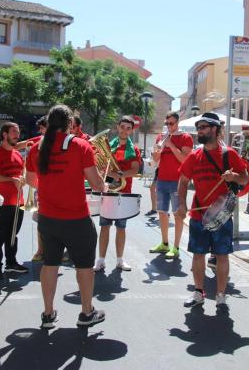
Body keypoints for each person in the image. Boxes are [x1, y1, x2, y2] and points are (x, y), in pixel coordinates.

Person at [30, 104, 107, 329]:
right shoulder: (80, 145)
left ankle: (47, 313)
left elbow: (31, 180)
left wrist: (51, 187)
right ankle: (86, 313)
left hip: (47, 217)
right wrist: (102, 178)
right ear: (70, 124)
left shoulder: (37, 147)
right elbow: (97, 184)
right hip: (76, 219)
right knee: (84, 266)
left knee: (50, 264)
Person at [176, 113, 248, 309]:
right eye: (199, 128)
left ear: (215, 129)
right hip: (199, 214)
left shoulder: (229, 154)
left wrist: (233, 176)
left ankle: (221, 294)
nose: (200, 131)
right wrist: (181, 204)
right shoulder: (194, 156)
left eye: (204, 127)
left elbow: (245, 178)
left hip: (222, 215)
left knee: (222, 255)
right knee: (198, 255)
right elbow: (182, 181)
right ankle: (199, 292)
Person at [93, 116, 142, 272]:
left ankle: (120, 260)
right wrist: (106, 173)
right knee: (105, 226)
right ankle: (100, 260)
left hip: (124, 192)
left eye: (128, 128)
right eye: (122, 127)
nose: (124, 130)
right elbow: (99, 165)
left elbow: (135, 170)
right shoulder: (108, 145)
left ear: (131, 130)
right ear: (117, 127)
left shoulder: (133, 149)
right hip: (107, 190)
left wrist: (119, 175)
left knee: (121, 228)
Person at [149, 112, 193, 259]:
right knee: (161, 212)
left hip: (177, 181)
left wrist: (171, 145)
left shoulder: (186, 137)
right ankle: (164, 243)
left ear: (178, 123)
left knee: (177, 214)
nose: (169, 126)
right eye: (167, 124)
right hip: (162, 179)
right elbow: (156, 160)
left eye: (172, 124)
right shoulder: (161, 137)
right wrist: (156, 152)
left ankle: (176, 247)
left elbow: (185, 160)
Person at [0, 122, 28, 279]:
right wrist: (11, 179)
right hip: (3, 202)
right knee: (0, 235)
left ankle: (11, 263)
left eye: (18, 131)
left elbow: (20, 173)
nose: (17, 135)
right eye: (13, 132)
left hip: (19, 201)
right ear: (4, 134)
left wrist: (22, 179)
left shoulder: (18, 154)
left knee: (13, 235)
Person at [28, 116, 47, 261]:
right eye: (40, 128)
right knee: (41, 221)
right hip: (41, 189)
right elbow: (30, 177)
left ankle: (60, 251)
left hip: (54, 191)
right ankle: (40, 250)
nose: (41, 131)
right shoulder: (36, 145)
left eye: (43, 127)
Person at [145, 133, 162, 217]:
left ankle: (162, 210)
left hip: (164, 169)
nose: (157, 142)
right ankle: (154, 209)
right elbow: (154, 162)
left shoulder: (164, 145)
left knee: (160, 190)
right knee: (153, 189)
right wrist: (151, 159)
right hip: (159, 169)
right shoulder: (156, 146)